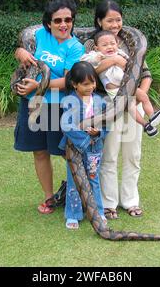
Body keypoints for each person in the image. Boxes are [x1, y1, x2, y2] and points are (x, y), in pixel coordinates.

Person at [85, 0, 160, 219]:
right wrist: (114, 62)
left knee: (133, 154)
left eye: (118, 19)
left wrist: (141, 93)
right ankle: (109, 203)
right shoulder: (92, 45)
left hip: (132, 102)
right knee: (109, 154)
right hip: (108, 105)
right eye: (109, 20)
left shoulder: (132, 44)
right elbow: (87, 74)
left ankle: (130, 200)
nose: (114, 24)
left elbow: (145, 73)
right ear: (99, 21)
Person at [13, 0, 85, 215]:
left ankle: (81, 192)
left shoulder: (75, 47)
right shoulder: (38, 35)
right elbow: (21, 52)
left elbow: (68, 81)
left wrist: (38, 85)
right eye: (58, 20)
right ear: (49, 23)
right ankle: (49, 197)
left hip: (58, 106)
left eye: (68, 20)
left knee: (64, 151)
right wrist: (21, 53)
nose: (63, 24)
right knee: (39, 151)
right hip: (33, 103)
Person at [81, 30, 160, 137]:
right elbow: (84, 61)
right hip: (114, 89)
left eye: (112, 44)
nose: (109, 47)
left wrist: (125, 62)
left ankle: (152, 116)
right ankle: (145, 124)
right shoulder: (96, 55)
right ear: (97, 48)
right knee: (131, 106)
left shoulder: (120, 53)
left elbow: (133, 63)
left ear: (117, 44)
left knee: (143, 96)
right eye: (105, 45)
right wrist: (96, 57)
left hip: (127, 85)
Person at [59, 61, 108, 229]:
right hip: (75, 149)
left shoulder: (100, 101)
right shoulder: (69, 101)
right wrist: (86, 139)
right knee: (74, 182)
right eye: (85, 84)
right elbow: (66, 126)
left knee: (93, 179)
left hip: (95, 149)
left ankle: (99, 212)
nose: (90, 87)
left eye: (93, 82)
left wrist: (99, 133)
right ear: (75, 84)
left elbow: (107, 124)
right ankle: (73, 215)